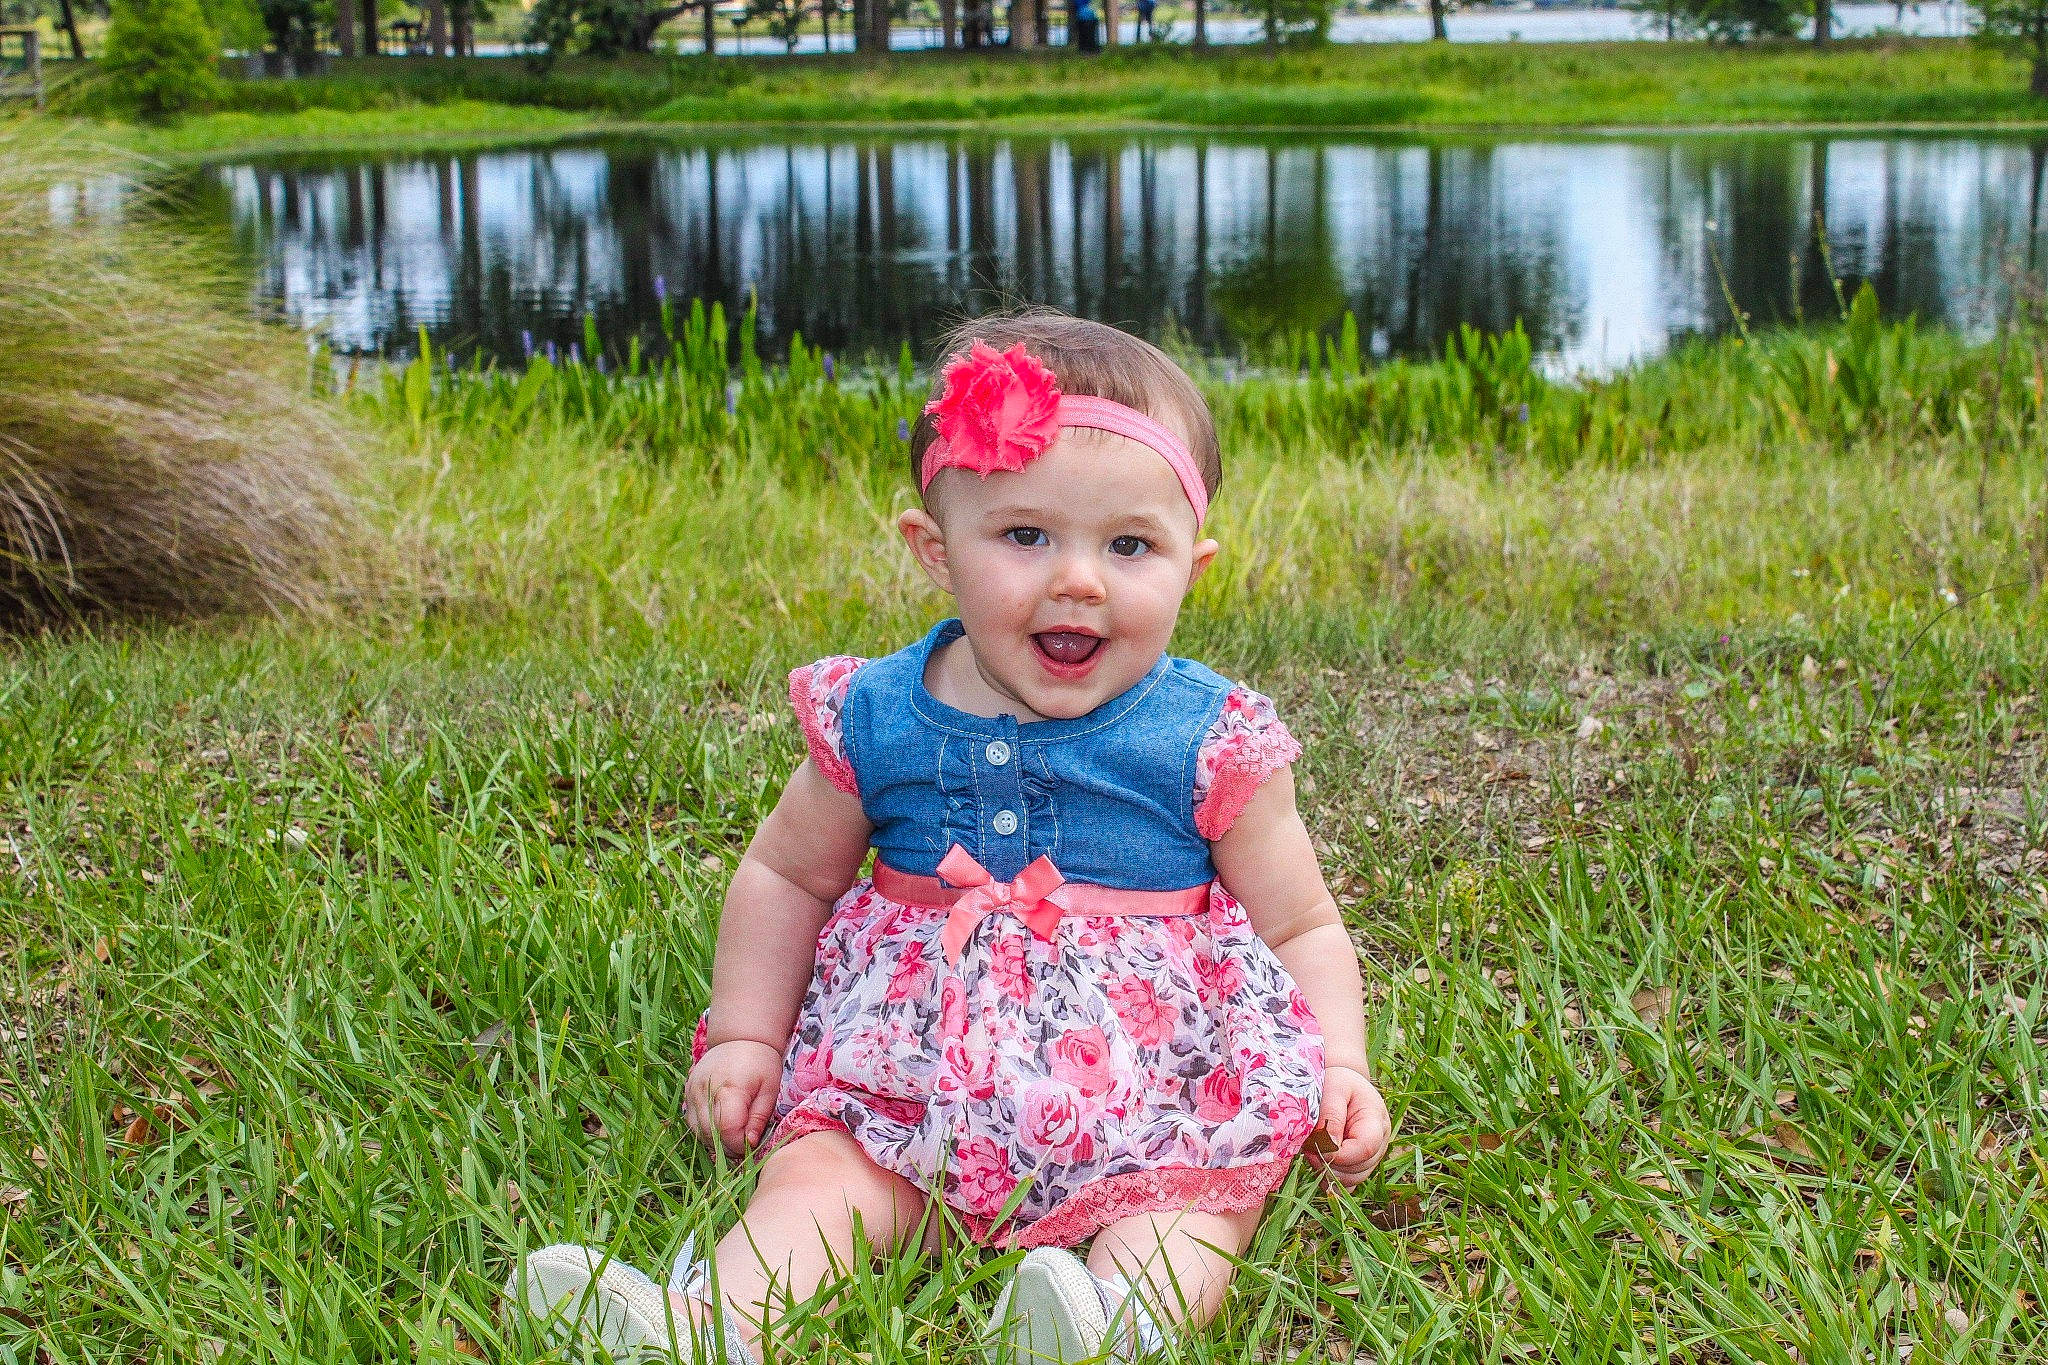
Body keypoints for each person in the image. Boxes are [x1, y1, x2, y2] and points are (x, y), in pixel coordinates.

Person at [502, 311, 1393, 1364]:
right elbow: (786, 874)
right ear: (935, 551)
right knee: (824, 1174)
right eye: (1025, 536)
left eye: (1129, 545)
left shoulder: (1206, 735)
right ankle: (706, 1325)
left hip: (1153, 1088)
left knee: (1197, 1201)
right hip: (913, 1079)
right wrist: (747, 1035)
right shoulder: (878, 714)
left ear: (1191, 564)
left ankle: (1115, 1327)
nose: (1079, 580)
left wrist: (1339, 1061)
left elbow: (1299, 922)